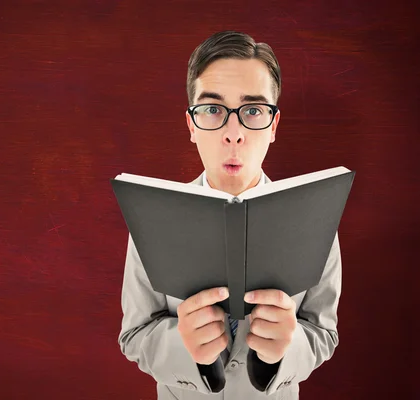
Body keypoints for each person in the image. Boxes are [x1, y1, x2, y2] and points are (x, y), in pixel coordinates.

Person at [117, 31, 342, 400]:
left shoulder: (317, 218)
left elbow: (323, 333)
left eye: (253, 110)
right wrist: (187, 349)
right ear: (191, 125)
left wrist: (282, 352)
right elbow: (135, 335)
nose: (233, 133)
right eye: (213, 110)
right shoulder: (153, 217)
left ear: (273, 126)